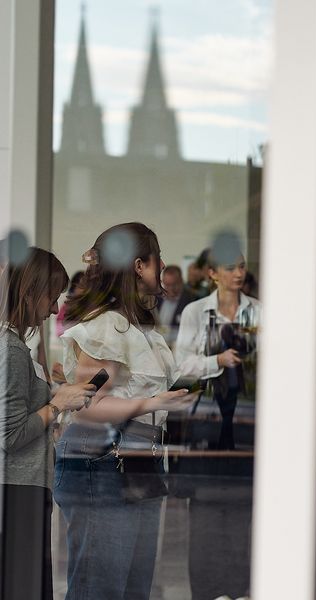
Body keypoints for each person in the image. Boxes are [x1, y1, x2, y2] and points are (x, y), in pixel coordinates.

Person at [53, 222, 196, 600]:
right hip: (102, 464)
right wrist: (152, 403)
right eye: (157, 258)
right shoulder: (108, 324)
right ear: (138, 265)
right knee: (100, 589)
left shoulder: (136, 326)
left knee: (132, 588)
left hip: (136, 463)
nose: (162, 265)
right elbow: (88, 405)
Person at [0, 247, 97, 600]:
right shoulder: (10, 349)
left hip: (23, 487)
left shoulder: (14, 346)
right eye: (51, 297)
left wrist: (56, 395)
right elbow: (10, 435)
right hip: (17, 489)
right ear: (28, 293)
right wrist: (57, 405)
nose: (55, 309)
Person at [175, 231, 261, 600]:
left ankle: (240, 590)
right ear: (213, 274)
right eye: (231, 268)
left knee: (244, 511)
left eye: (242, 266)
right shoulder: (196, 312)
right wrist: (217, 360)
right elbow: (181, 365)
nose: (238, 273)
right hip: (207, 417)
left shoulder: (259, 311)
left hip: (246, 417)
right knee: (206, 512)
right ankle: (208, 591)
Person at [156, 265, 196, 348]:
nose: (170, 289)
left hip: (180, 347)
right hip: (157, 346)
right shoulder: (155, 298)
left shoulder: (191, 300)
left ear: (181, 281)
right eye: (167, 285)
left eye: (174, 285)